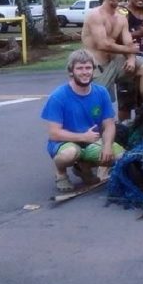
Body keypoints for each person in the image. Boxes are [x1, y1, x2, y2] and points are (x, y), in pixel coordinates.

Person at [41, 49, 125, 193]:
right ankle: (61, 173)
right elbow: (54, 134)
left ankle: (83, 166)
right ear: (71, 71)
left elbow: (109, 125)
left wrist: (107, 146)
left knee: (121, 157)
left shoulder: (101, 92)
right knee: (70, 154)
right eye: (79, 68)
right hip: (65, 143)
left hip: (91, 141)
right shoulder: (58, 96)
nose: (85, 72)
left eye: (88, 68)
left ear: (94, 70)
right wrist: (82, 137)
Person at [82, 0, 143, 114]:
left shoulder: (121, 18)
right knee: (97, 108)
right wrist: (128, 49)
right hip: (97, 67)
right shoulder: (95, 15)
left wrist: (131, 58)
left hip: (115, 62)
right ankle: (92, 132)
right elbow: (102, 44)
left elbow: (128, 42)